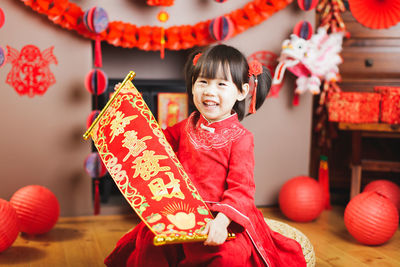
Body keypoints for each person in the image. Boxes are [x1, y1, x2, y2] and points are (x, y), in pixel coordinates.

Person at [104, 44, 306, 267]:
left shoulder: (241, 138)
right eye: (203, 82)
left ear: (242, 91)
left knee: (229, 256)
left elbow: (241, 189)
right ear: (192, 87)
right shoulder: (187, 125)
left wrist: (221, 222)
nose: (210, 91)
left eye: (221, 84)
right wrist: (126, 117)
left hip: (221, 218)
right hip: (180, 211)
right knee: (151, 242)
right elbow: (154, 145)